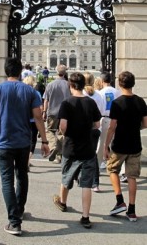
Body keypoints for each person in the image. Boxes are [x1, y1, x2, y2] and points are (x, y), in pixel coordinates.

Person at [0, 57, 50, 236]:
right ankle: (19, 210)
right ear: (20, 71)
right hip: (24, 141)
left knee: (7, 180)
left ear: (6, 71)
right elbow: (38, 117)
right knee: (22, 176)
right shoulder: (30, 91)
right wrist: (45, 141)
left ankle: (14, 221)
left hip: (4, 141)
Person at [53, 72, 101, 229]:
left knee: (66, 176)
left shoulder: (67, 103)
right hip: (87, 147)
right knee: (86, 184)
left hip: (71, 147)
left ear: (70, 85)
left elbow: (63, 126)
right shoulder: (91, 102)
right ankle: (85, 217)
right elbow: (97, 124)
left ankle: (63, 202)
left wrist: (65, 134)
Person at [104, 71, 147, 222]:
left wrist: (106, 145)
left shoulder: (117, 103)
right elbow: (145, 123)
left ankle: (119, 199)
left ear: (120, 84)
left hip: (120, 143)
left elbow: (112, 126)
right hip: (135, 143)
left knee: (112, 169)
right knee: (132, 177)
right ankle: (132, 210)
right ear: (133, 83)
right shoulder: (140, 101)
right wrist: (136, 128)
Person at [43, 64, 71, 163]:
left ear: (56, 71)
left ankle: (53, 147)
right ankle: (59, 155)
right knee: (61, 133)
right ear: (65, 73)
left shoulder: (50, 84)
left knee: (49, 130)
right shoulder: (69, 85)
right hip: (65, 113)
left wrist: (44, 112)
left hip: (53, 112)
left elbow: (46, 100)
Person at [83, 72, 105, 192]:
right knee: (93, 156)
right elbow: (101, 112)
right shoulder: (99, 95)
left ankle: (79, 177)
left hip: (82, 129)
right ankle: (95, 183)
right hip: (95, 129)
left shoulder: (81, 94)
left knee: (79, 154)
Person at [97, 72, 120, 170]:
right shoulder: (117, 92)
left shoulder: (100, 92)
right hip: (115, 119)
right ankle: (115, 164)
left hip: (104, 117)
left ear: (102, 81)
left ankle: (98, 165)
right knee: (115, 143)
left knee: (101, 143)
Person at [23, 75, 43, 170]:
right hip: (34, 120)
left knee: (24, 139)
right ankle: (27, 160)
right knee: (32, 141)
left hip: (23, 119)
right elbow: (39, 108)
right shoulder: (36, 93)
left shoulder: (21, 93)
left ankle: (24, 160)